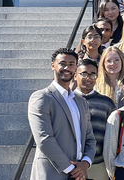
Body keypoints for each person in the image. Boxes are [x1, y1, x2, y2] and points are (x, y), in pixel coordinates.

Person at [28, 48, 96, 180]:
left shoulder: (81, 102)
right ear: (53, 65)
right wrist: (72, 169)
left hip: (79, 173)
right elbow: (44, 139)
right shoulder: (42, 98)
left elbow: (90, 138)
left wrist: (85, 163)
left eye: (71, 64)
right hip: (51, 173)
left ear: (76, 68)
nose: (67, 68)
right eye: (62, 63)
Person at [74, 59, 115, 180]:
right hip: (72, 165)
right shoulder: (66, 100)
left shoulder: (106, 102)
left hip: (98, 164)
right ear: (75, 75)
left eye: (93, 74)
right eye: (84, 74)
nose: (89, 78)